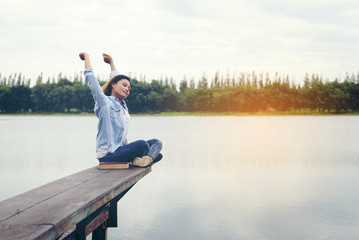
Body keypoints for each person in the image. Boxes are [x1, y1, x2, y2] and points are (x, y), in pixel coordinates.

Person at [79, 52, 162, 167]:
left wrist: (111, 63)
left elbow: (116, 77)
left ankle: (145, 159)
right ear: (113, 85)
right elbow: (91, 79)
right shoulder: (105, 103)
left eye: (129, 88)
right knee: (142, 145)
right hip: (108, 155)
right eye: (124, 85)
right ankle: (142, 158)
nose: (127, 89)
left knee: (156, 143)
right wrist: (86, 57)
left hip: (121, 151)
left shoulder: (123, 107)